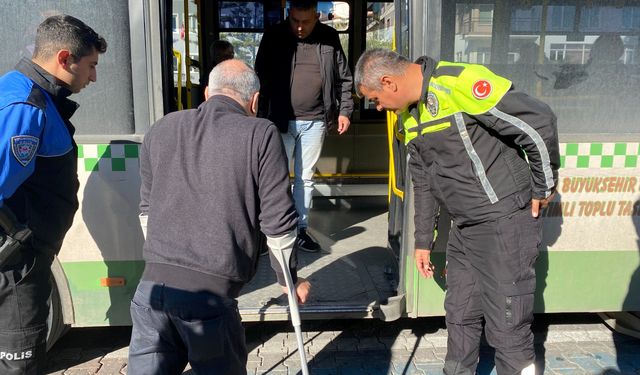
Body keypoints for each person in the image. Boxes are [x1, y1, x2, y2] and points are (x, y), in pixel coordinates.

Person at [354, 49, 560, 375]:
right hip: (465, 229)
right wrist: (423, 239)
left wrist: (543, 186)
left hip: (504, 222)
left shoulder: (458, 83)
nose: (378, 107)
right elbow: (422, 180)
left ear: (388, 82)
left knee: (507, 326)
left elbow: (537, 120)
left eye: (375, 99)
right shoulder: (410, 117)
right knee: (460, 314)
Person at [128, 59, 311, 375]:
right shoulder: (260, 133)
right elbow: (278, 223)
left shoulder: (161, 129)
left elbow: (147, 213)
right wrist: (289, 280)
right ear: (254, 101)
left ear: (206, 93)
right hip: (209, 299)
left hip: (150, 292)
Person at [0, 15, 107, 374]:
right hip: (17, 264)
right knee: (21, 364)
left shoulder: (23, 91)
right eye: (90, 66)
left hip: (21, 256)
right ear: (64, 59)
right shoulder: (27, 108)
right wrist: (22, 240)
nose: (93, 77)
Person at [255, 0, 354, 252]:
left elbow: (344, 78)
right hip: (278, 119)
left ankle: (300, 229)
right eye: (295, 21)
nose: (300, 28)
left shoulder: (329, 38)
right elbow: (260, 78)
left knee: (305, 179)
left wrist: (344, 111)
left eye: (306, 22)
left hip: (316, 120)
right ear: (289, 16)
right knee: (274, 179)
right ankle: (271, 231)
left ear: (317, 17)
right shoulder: (274, 35)